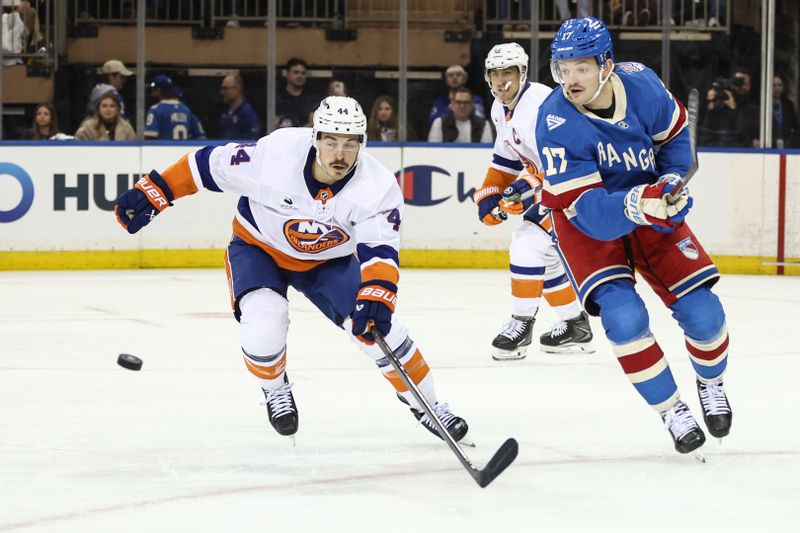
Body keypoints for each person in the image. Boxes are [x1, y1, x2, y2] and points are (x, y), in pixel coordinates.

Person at [113, 96, 469, 443]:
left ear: (363, 143)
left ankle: (431, 406)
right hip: (258, 248)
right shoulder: (276, 155)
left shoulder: (376, 187)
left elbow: (380, 251)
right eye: (330, 141)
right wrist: (156, 189)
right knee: (264, 326)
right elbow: (207, 165)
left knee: (381, 334)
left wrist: (378, 295)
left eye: (350, 143)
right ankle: (275, 389)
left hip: (330, 261)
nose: (340, 154)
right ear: (315, 138)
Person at [535, 17, 732, 455]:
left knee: (705, 314)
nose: (570, 80)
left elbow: (676, 139)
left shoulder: (642, 84)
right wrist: (639, 203)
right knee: (625, 319)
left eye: (581, 68)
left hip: (648, 201)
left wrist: (672, 183)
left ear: (606, 64)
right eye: (562, 69)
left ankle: (711, 383)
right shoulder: (554, 120)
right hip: (585, 219)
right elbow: (590, 214)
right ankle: (671, 410)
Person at [472, 42, 593, 361]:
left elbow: (562, 162)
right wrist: (490, 192)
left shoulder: (541, 105)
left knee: (526, 240)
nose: (501, 80)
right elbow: (505, 159)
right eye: (494, 74)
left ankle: (521, 323)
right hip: (556, 186)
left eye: (508, 72)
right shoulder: (501, 107)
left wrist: (523, 189)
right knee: (547, 253)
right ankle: (575, 325)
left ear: (522, 73)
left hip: (581, 183)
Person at [699, 67, 758, 147]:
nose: (742, 87)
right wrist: (708, 107)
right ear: (732, 84)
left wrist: (734, 109)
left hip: (742, 154)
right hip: (713, 153)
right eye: (739, 83)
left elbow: (746, 135)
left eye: (746, 84)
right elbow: (703, 133)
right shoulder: (717, 107)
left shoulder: (753, 110)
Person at [144, 74, 205, 140]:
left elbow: (150, 137)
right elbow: (200, 137)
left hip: (163, 149)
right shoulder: (186, 110)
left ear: (158, 90)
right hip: (185, 149)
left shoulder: (155, 110)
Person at [428, 87, 493, 143]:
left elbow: (486, 150)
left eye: (466, 102)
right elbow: (433, 149)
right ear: (451, 105)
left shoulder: (484, 124)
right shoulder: (439, 123)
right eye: (458, 102)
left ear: (472, 105)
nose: (462, 106)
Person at [218, 73, 261, 141]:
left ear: (237, 89)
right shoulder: (225, 110)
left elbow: (251, 141)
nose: (222, 92)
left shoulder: (247, 113)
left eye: (225, 88)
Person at [275, 57, 316, 129]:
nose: (300, 76)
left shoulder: (311, 98)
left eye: (303, 73)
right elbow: (274, 124)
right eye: (296, 72)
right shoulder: (277, 97)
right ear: (287, 74)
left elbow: (312, 125)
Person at [772, 73, 800, 149]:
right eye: (773, 85)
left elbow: (796, 127)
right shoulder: (763, 106)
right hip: (770, 146)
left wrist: (791, 141)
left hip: (787, 146)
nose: (777, 88)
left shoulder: (788, 105)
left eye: (780, 85)